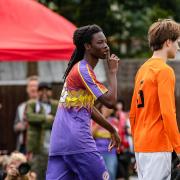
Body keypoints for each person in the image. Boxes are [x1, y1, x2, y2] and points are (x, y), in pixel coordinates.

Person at [46, 24, 121, 180]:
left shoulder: (78, 70)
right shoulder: (83, 70)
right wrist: (113, 72)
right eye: (100, 42)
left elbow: (88, 108)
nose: (106, 46)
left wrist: (111, 129)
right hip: (78, 143)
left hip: (59, 144)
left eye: (106, 42)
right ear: (87, 46)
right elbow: (111, 102)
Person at [129, 19, 180, 180]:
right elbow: (168, 113)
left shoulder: (142, 69)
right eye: (177, 42)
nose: (178, 47)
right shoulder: (165, 71)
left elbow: (133, 114)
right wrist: (179, 148)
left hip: (141, 146)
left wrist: (137, 149)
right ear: (167, 43)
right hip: (158, 146)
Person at [26, 82, 58, 180]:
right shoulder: (32, 104)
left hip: (54, 148)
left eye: (47, 90)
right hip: (37, 148)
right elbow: (30, 117)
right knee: (36, 175)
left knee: (53, 175)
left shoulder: (56, 104)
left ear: (51, 92)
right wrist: (47, 118)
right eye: (41, 90)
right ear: (37, 92)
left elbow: (59, 121)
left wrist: (40, 121)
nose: (44, 93)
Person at [92, 105, 119, 180]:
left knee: (110, 173)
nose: (106, 109)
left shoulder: (115, 121)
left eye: (108, 107)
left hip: (110, 153)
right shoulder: (94, 120)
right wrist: (102, 118)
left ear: (112, 110)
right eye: (104, 107)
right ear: (100, 108)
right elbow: (91, 134)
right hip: (97, 152)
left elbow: (117, 136)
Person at [14, 76, 39, 154]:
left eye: (35, 86)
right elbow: (15, 126)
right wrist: (19, 126)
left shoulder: (44, 106)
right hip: (23, 147)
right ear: (27, 89)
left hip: (38, 147)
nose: (33, 88)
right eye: (31, 86)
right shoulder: (21, 107)